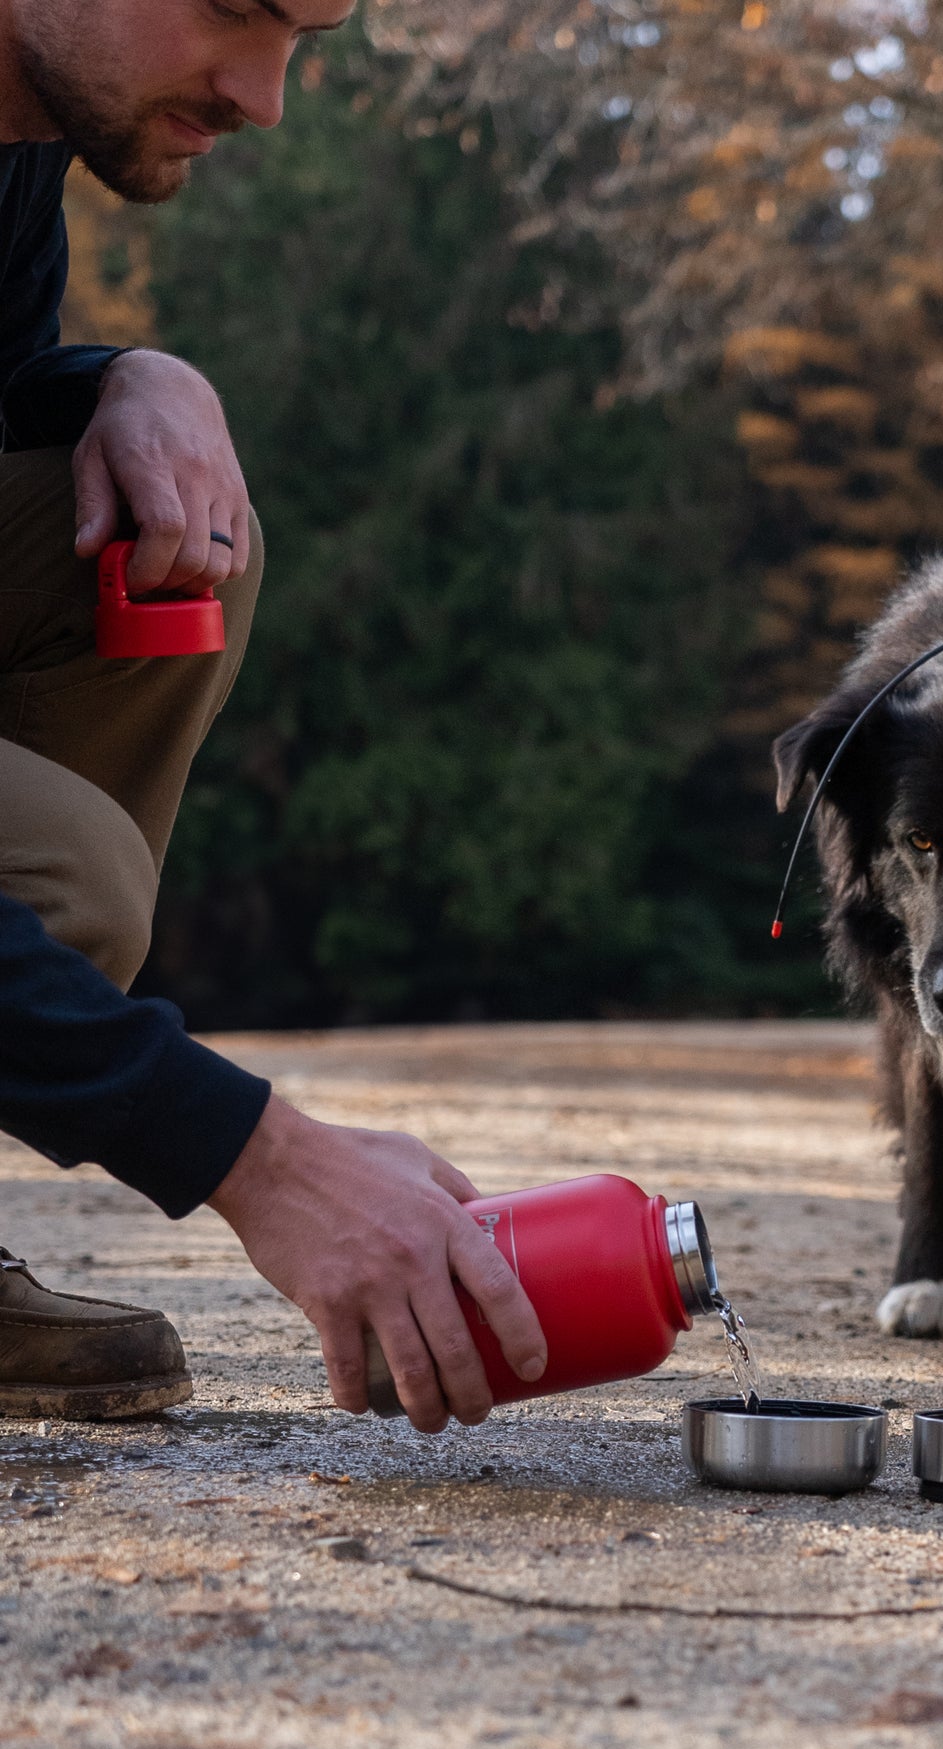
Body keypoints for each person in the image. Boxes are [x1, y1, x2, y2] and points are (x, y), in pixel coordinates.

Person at [0, 0, 546, 1433]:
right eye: (235, 9)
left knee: (154, 527)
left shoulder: (18, 132)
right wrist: (259, 1159)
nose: (267, 95)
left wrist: (129, 375)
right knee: (57, 870)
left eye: (304, 31)